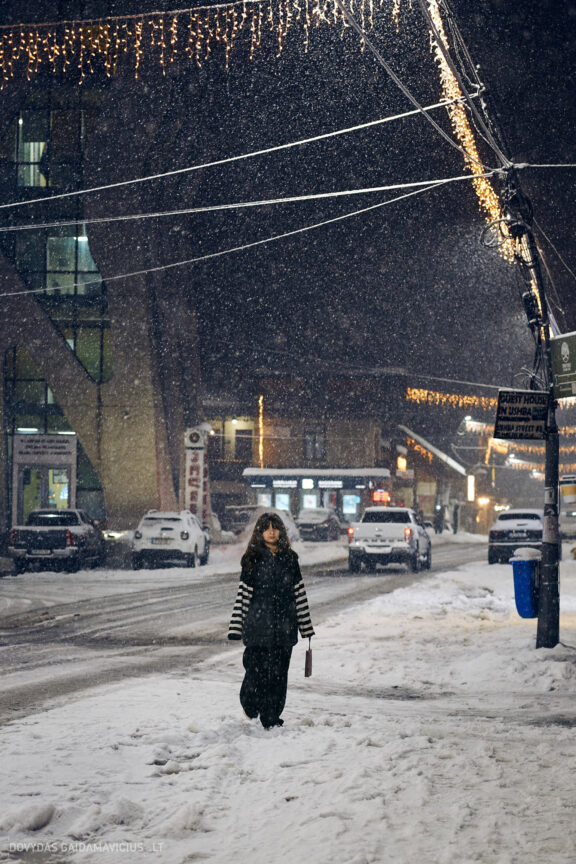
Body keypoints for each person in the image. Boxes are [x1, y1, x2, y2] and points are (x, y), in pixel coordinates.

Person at [227, 512, 315, 729]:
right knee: (254, 672)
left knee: (278, 677)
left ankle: (271, 717)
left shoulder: (290, 559)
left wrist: (306, 627)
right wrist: (236, 626)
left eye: (275, 527)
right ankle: (250, 704)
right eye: (266, 528)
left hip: (284, 629)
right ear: (260, 531)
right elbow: (243, 594)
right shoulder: (252, 559)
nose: (271, 531)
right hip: (257, 628)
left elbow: (299, 594)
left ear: (280, 531)